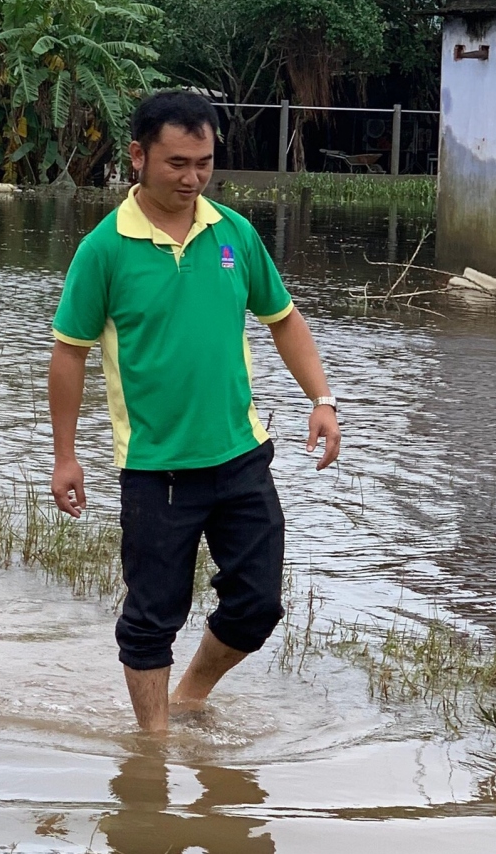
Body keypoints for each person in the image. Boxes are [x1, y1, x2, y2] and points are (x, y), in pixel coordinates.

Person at [47, 90, 342, 734]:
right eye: (176, 163)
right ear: (137, 156)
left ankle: (190, 694)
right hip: (157, 467)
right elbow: (68, 354)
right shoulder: (104, 249)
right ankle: (151, 749)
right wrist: (65, 455)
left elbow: (283, 318)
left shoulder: (233, 232)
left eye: (204, 162)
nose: (192, 177)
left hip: (241, 454)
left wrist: (321, 399)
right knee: (153, 616)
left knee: (258, 605)